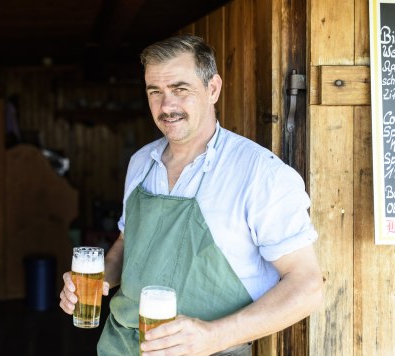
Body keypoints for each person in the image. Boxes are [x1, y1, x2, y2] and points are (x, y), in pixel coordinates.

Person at [59, 34, 323, 355]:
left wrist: (214, 336)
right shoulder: (142, 161)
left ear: (212, 89)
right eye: (155, 92)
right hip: (120, 346)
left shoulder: (260, 173)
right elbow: (129, 244)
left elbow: (307, 286)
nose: (166, 106)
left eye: (180, 90)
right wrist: (95, 280)